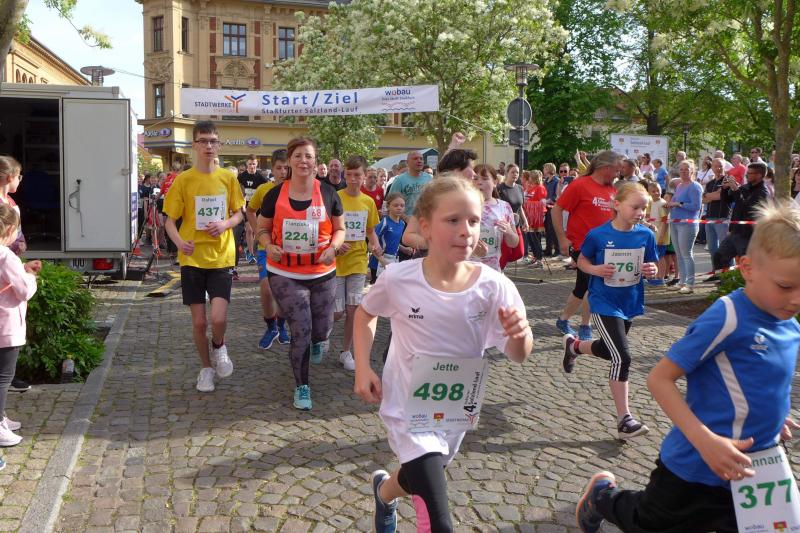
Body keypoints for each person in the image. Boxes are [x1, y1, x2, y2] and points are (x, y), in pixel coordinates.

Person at [576, 200, 800, 533]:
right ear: (747, 268)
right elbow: (659, 379)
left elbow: (767, 381)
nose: (797, 299)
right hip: (694, 468)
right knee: (646, 522)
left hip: (753, 468)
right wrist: (705, 441)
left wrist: (774, 416)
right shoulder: (728, 316)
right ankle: (601, 497)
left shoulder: (790, 325)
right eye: (786, 286)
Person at [353, 175, 533, 533]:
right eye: (453, 220)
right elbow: (365, 314)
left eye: (473, 220)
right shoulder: (399, 278)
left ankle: (384, 493)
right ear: (425, 227)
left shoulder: (494, 286)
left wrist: (521, 333)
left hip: (454, 410)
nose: (466, 231)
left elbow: (518, 354)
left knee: (419, 476)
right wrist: (362, 366)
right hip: (407, 408)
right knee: (438, 520)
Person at [562, 182, 658, 439]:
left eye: (644, 208)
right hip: (604, 302)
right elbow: (582, 259)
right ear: (617, 205)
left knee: (608, 349)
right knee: (622, 357)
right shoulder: (598, 235)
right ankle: (624, 420)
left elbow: (651, 265)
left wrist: (651, 271)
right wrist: (595, 270)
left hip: (630, 302)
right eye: (635, 207)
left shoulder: (646, 235)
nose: (640, 212)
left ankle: (574, 346)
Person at [256, 137, 344, 410]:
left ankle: (320, 340)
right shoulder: (274, 195)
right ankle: (302, 386)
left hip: (322, 271)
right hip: (285, 272)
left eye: (308, 156)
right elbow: (261, 229)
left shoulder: (329, 193)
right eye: (298, 156)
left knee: (322, 327)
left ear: (315, 161)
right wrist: (268, 245)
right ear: (290, 161)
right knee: (301, 328)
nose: (303, 161)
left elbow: (340, 230)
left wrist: (333, 247)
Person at [163, 120, 244, 393]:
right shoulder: (183, 180)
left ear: (218, 145)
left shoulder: (228, 178)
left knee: (218, 318)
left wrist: (224, 224)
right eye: (203, 141)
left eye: (213, 141)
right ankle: (206, 368)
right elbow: (169, 221)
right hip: (192, 258)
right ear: (194, 145)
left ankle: (219, 344)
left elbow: (239, 214)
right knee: (199, 322)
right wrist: (179, 243)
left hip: (221, 257)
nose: (208, 146)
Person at [552, 150, 622, 341]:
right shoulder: (580, 185)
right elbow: (556, 210)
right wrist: (562, 238)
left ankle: (563, 320)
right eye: (616, 170)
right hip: (582, 246)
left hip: (606, 247)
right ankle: (585, 325)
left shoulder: (612, 189)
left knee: (582, 287)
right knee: (594, 285)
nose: (618, 174)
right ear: (605, 167)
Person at [334, 155, 382, 371]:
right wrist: (335, 244)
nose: (353, 179)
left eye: (357, 175)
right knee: (336, 312)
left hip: (358, 261)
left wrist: (376, 245)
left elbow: (370, 230)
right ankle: (320, 334)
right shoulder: (335, 198)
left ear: (364, 176)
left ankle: (346, 352)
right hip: (335, 263)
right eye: (349, 175)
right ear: (344, 175)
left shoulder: (368, 202)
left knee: (353, 309)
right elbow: (326, 229)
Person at [0, 204, 40, 452]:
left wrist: (22, 271)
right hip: (6, 325)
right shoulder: (6, 256)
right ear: (10, 230)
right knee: (4, 377)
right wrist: (31, 277)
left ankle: (2, 420)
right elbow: (24, 291)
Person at [246, 149, 290, 350]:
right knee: (266, 287)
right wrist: (258, 231)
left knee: (285, 290)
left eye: (286, 168)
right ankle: (271, 326)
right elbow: (250, 210)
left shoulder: (296, 189)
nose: (283, 172)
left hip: (289, 250)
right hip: (266, 248)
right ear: (272, 169)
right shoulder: (264, 189)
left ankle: (281, 325)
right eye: (279, 168)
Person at [709, 162, 770, 279]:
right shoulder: (746, 187)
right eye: (747, 173)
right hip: (736, 232)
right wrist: (725, 188)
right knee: (719, 256)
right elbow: (727, 200)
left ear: (759, 175)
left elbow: (746, 208)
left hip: (749, 235)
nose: (747, 175)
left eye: (750, 173)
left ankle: (746, 285)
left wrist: (736, 190)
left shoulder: (762, 192)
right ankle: (725, 282)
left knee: (746, 262)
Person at [471, 164, 518, 271]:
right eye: (475, 178)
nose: (479, 182)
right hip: (466, 269)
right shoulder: (463, 205)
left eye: (485, 179)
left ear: (495, 182)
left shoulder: (504, 206)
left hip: (492, 270)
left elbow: (514, 243)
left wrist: (509, 232)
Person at [665, 159, 703, 294]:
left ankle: (690, 284)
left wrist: (678, 204)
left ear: (692, 171)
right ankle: (682, 282)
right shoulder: (680, 185)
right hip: (675, 222)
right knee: (679, 254)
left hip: (687, 224)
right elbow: (674, 201)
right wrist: (668, 204)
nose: (683, 172)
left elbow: (696, 206)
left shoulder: (695, 186)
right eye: (681, 169)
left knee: (686, 254)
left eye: (686, 169)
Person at [369, 193, 411, 284]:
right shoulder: (384, 223)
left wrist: (404, 249)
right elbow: (371, 244)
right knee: (378, 290)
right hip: (378, 263)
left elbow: (392, 241)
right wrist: (382, 260)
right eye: (396, 205)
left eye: (402, 206)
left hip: (393, 261)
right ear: (388, 207)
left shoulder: (402, 224)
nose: (399, 208)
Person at [237, 155, 267, 264]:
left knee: (256, 230)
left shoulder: (261, 178)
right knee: (249, 230)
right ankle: (250, 253)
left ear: (256, 164)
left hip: (257, 208)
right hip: (246, 207)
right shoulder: (241, 177)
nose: (252, 166)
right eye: (250, 164)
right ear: (247, 165)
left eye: (254, 164)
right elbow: (236, 190)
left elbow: (267, 191)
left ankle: (250, 249)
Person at [700, 158, 731, 259]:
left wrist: (707, 195)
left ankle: (728, 268)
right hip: (709, 218)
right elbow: (703, 200)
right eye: (715, 166)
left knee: (725, 248)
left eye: (720, 166)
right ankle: (716, 268)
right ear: (712, 168)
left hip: (722, 218)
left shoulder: (727, 181)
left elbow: (720, 196)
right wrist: (713, 195)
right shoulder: (710, 183)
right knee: (712, 249)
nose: (718, 168)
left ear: (724, 167)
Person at [388, 150, 433, 218]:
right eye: (415, 158)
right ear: (407, 162)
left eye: (421, 159)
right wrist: (406, 219)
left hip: (425, 219)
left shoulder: (429, 178)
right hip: (406, 221)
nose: (419, 161)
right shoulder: (399, 180)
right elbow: (390, 202)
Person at [522, 170, 547, 266]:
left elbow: (542, 202)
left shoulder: (540, 188)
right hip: (529, 216)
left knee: (536, 238)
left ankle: (540, 258)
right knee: (530, 238)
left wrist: (530, 204)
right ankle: (536, 257)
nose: (529, 178)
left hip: (536, 217)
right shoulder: (531, 187)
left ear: (534, 178)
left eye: (530, 177)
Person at [646, 182, 669, 285]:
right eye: (653, 191)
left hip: (660, 236)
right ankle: (655, 277)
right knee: (654, 257)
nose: (656, 193)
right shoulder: (652, 203)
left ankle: (661, 277)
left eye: (658, 191)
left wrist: (661, 236)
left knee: (660, 257)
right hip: (654, 235)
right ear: (649, 192)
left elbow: (665, 221)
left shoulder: (662, 203)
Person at [496, 163, 528, 235]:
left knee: (520, 242)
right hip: (504, 227)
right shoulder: (500, 188)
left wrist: (525, 221)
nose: (515, 174)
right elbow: (496, 208)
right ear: (507, 173)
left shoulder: (520, 188)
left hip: (517, 225)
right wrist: (509, 215)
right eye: (512, 172)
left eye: (517, 172)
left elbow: (520, 207)